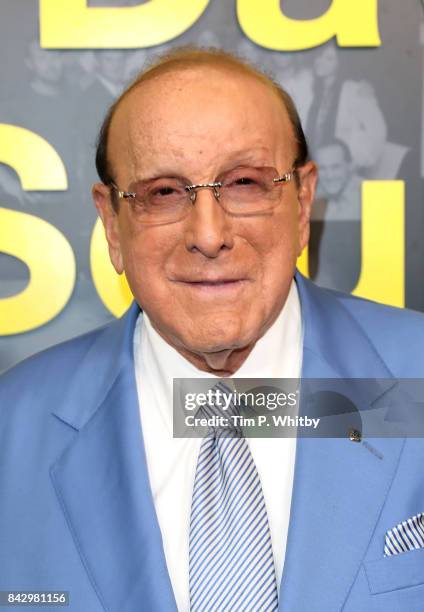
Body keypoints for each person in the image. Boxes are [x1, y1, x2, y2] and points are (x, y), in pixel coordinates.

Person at [1, 48, 424, 612]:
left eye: (246, 183)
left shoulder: (415, 378)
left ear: (302, 203)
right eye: (164, 192)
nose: (208, 234)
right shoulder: (13, 429)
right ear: (112, 225)